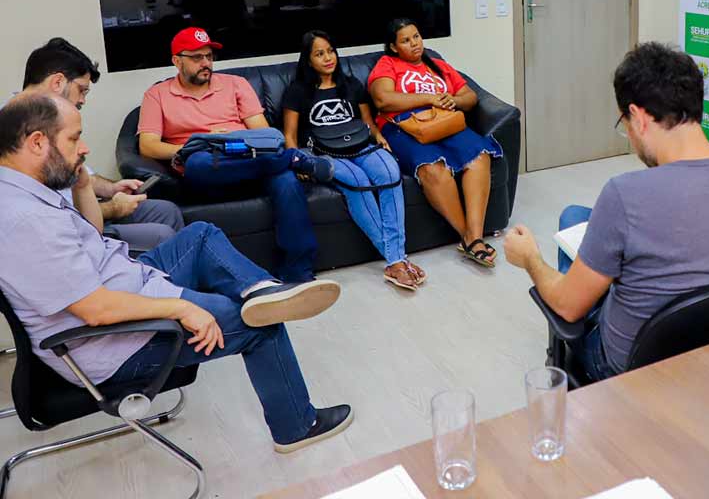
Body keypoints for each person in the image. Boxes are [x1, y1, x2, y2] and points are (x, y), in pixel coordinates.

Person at [0, 94, 351, 452]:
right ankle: (297, 425)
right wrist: (181, 308)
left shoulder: (23, 185)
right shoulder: (26, 221)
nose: (84, 147)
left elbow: (91, 237)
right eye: (74, 138)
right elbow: (95, 310)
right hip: (115, 342)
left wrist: (83, 186)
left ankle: (261, 289)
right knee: (259, 324)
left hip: (123, 283)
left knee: (200, 235)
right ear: (38, 142)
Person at [503, 42, 709, 382]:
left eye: (624, 122)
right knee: (574, 216)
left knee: (574, 259)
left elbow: (568, 307)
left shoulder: (624, 195)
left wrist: (530, 259)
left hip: (636, 368)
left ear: (639, 118)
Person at [137, 27, 333, 283]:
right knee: (198, 162)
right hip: (209, 174)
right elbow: (148, 146)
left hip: (249, 162)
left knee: (286, 180)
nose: (205, 63)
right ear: (177, 61)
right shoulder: (157, 94)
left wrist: (229, 142)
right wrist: (201, 145)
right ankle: (293, 159)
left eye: (209, 56)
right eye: (197, 58)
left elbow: (263, 133)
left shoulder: (235, 84)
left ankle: (298, 272)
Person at [282, 31, 426, 290]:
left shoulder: (351, 84)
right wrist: (297, 161)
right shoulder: (297, 91)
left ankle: (396, 261)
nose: (328, 58)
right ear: (308, 59)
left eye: (330, 51)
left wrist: (379, 137)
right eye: (319, 53)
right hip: (322, 152)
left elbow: (367, 122)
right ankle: (397, 259)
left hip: (360, 145)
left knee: (390, 173)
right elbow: (290, 135)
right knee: (358, 181)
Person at [17, 37, 184, 252]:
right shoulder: (17, 132)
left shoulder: (53, 119)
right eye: (82, 90)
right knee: (162, 235)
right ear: (57, 82)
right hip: (67, 230)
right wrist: (113, 208)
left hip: (87, 210)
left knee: (166, 211)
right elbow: (57, 213)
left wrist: (112, 188)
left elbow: (79, 175)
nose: (83, 100)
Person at [368, 18, 504, 268]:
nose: (414, 43)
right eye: (406, 40)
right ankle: (470, 239)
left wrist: (454, 100)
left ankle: (473, 237)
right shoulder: (387, 64)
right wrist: (430, 97)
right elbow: (383, 100)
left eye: (417, 36)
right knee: (432, 167)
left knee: (479, 155)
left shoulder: (438, 65)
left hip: (445, 121)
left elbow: (470, 96)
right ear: (394, 47)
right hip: (404, 126)